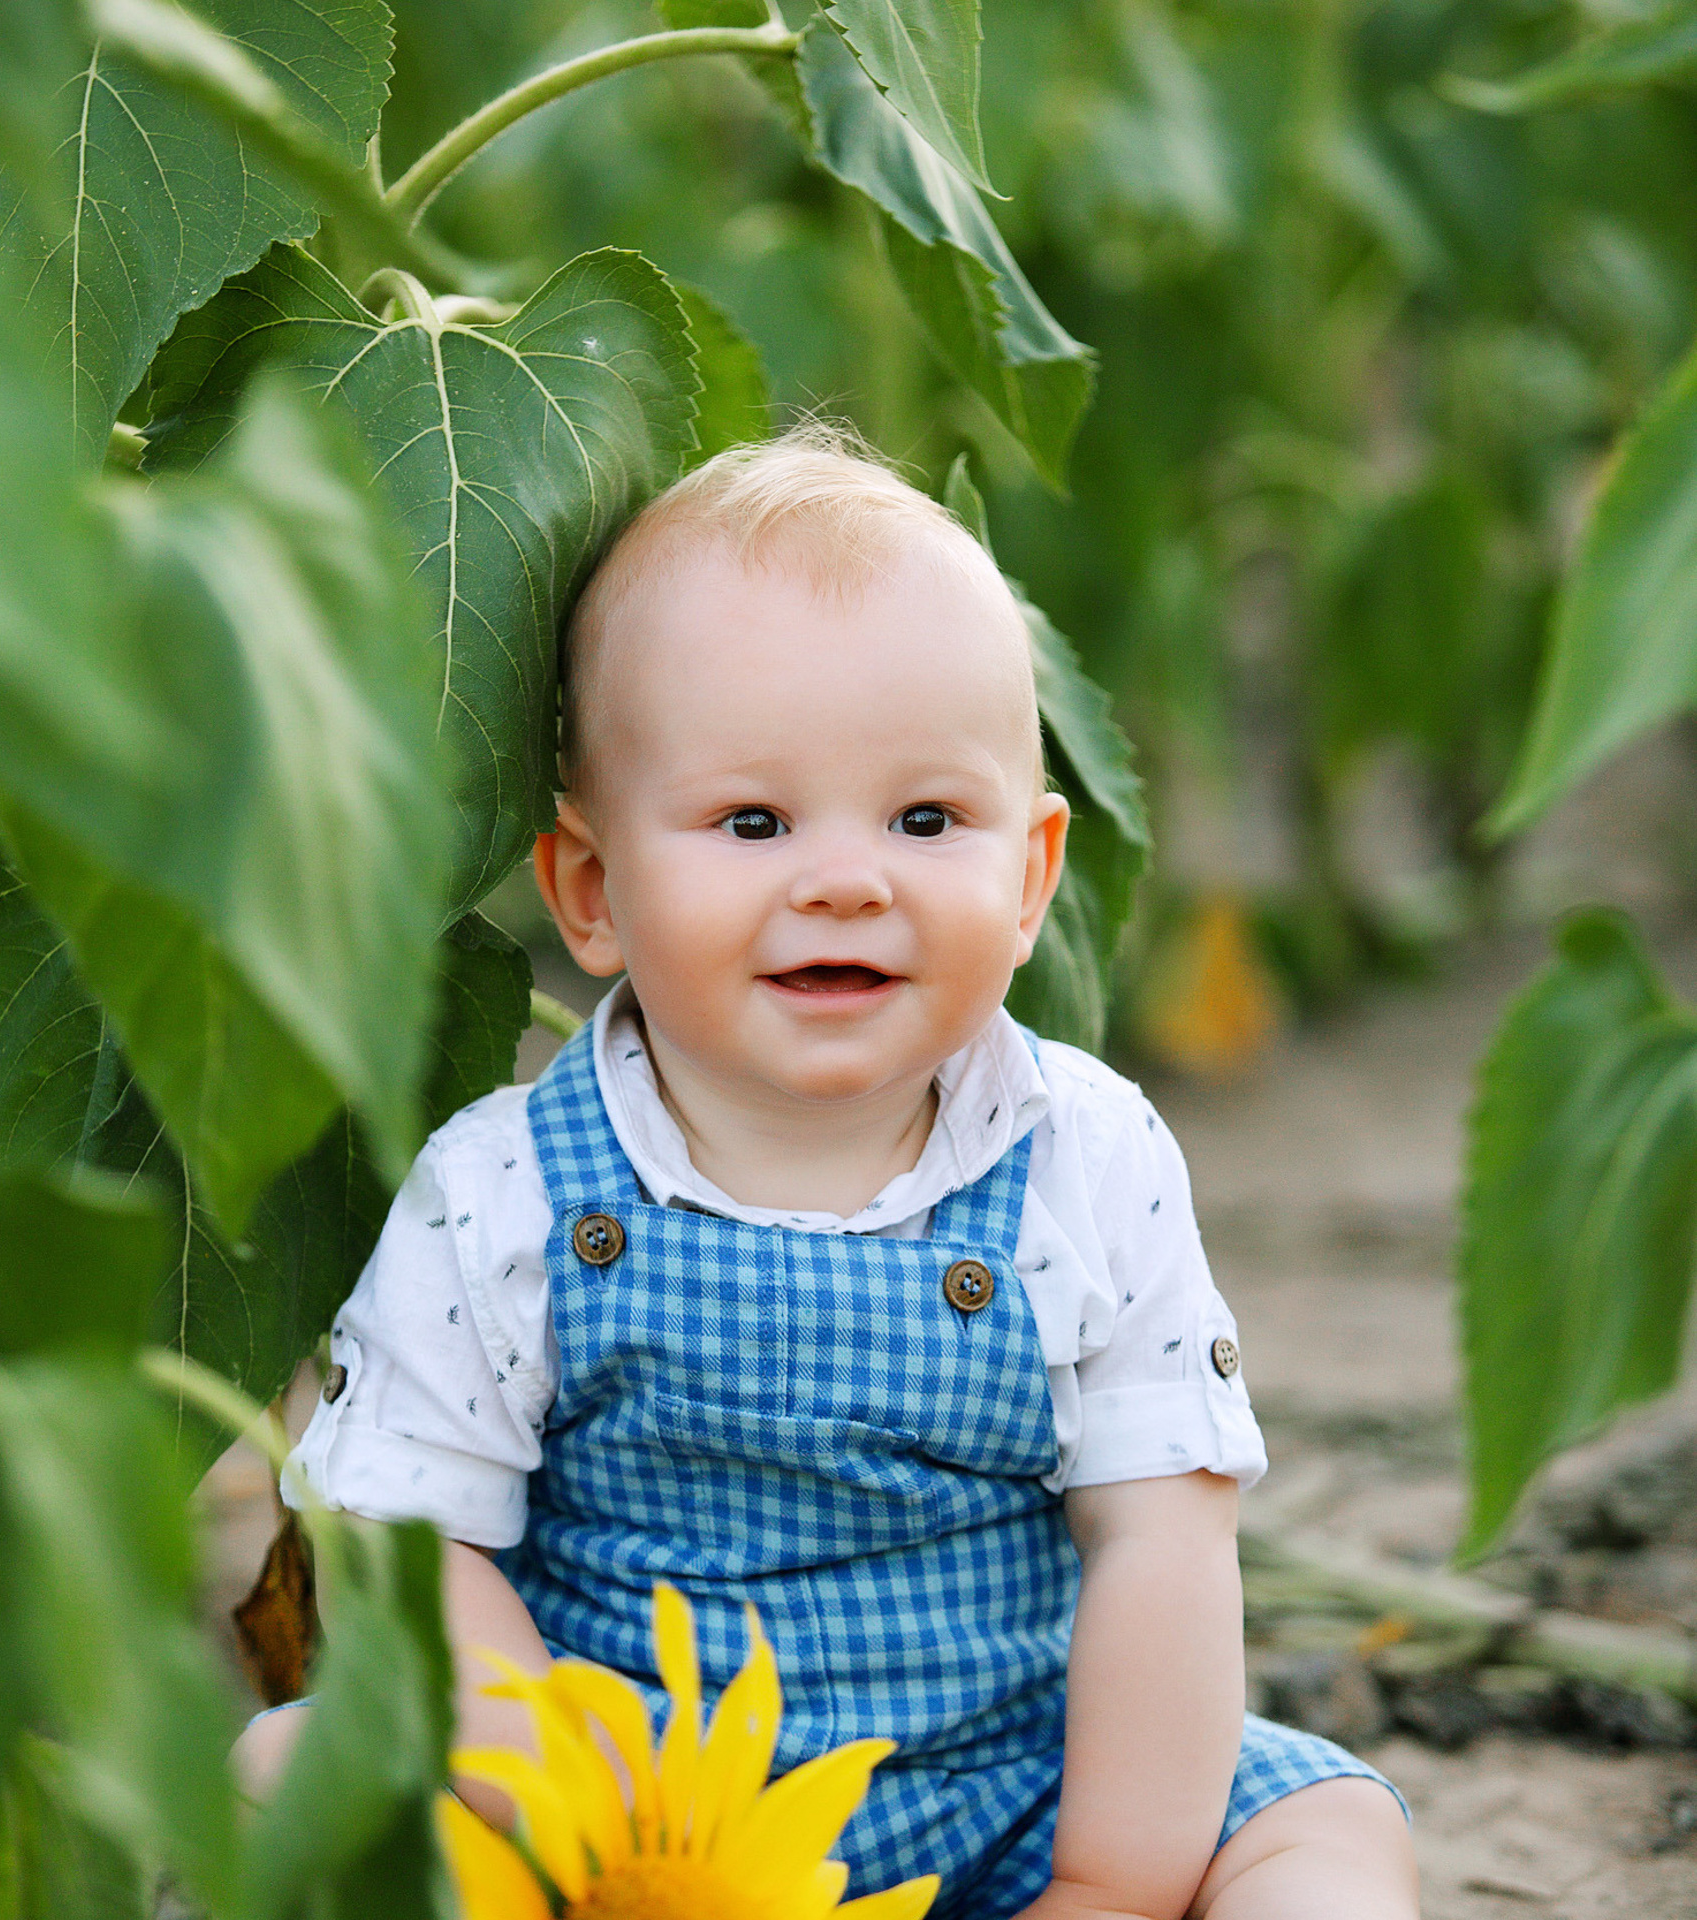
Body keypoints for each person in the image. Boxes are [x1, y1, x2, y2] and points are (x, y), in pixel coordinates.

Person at [237, 428, 1419, 1920]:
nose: (848, 877)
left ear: (1034, 874)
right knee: (289, 1776)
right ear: (593, 893)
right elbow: (412, 1542)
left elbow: (1162, 1545)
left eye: (927, 821)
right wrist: (557, 1808)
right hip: (637, 1826)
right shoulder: (509, 1190)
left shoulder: (1084, 1158)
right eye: (754, 822)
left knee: (1324, 1840)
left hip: (1025, 1787)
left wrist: (1112, 1887)